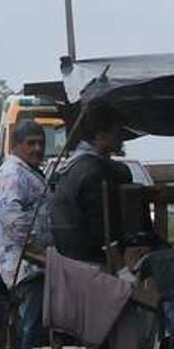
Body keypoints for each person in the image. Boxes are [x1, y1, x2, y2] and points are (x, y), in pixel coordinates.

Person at [0, 120, 52, 349]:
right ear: (16, 145)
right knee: (32, 329)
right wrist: (39, 248)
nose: (37, 148)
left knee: (34, 328)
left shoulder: (29, 171)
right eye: (31, 143)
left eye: (40, 143)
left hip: (37, 262)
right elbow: (11, 217)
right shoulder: (12, 173)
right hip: (27, 265)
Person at [50, 102, 131, 265]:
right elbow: (103, 230)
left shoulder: (70, 167)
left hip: (68, 258)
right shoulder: (95, 171)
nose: (122, 137)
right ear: (100, 135)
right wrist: (121, 269)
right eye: (118, 131)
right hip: (90, 263)